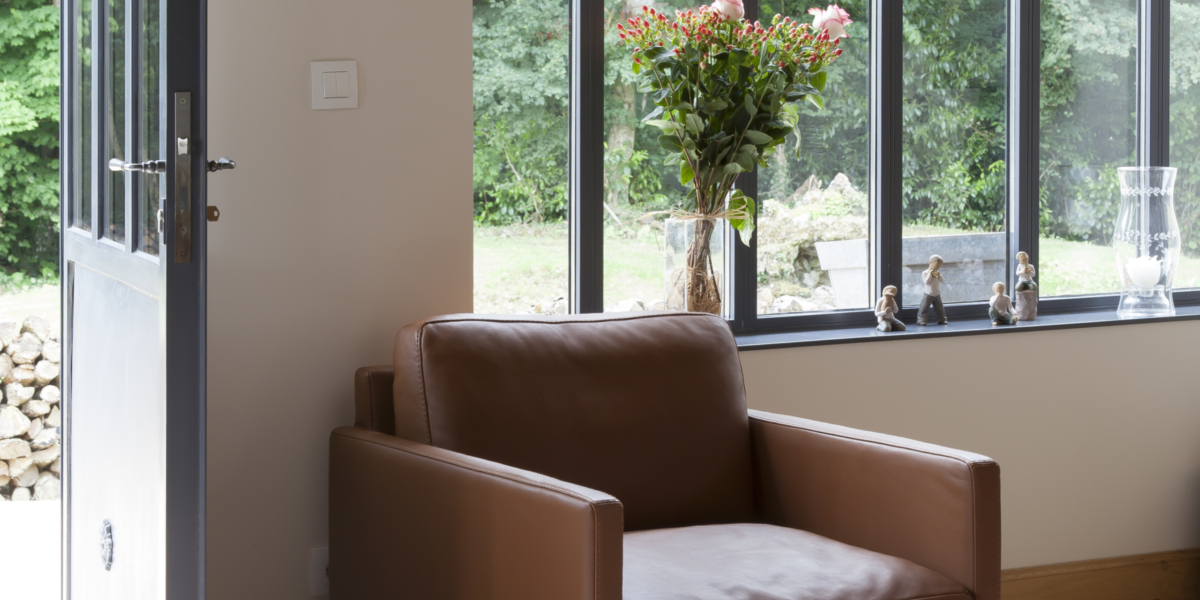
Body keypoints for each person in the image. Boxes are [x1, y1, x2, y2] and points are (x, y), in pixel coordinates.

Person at [917, 255, 948, 326]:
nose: (937, 268)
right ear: (930, 263)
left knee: (940, 308)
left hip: (937, 293)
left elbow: (943, 281)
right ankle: (921, 320)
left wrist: (939, 276)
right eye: (936, 266)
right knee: (924, 307)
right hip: (928, 293)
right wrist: (930, 274)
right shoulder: (925, 273)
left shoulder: (936, 273)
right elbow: (927, 282)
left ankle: (942, 319)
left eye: (939, 266)